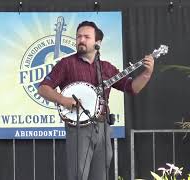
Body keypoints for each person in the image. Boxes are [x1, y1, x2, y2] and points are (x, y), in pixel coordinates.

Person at [38, 21, 154, 180]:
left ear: (97, 43)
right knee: (79, 174)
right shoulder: (66, 64)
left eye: (86, 36)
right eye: (79, 36)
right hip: (78, 128)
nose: (81, 40)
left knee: (101, 174)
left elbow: (133, 87)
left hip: (103, 126)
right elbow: (43, 88)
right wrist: (63, 99)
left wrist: (147, 73)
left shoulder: (107, 68)